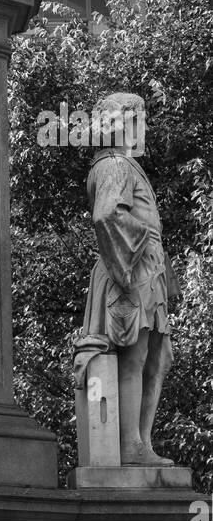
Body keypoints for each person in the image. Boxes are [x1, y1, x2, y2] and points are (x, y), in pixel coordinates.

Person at [74, 92, 179, 466]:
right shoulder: (114, 164)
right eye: (139, 119)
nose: (144, 126)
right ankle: (131, 447)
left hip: (147, 272)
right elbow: (106, 215)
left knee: (157, 359)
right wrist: (141, 248)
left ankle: (143, 444)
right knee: (133, 358)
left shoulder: (127, 165)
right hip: (130, 270)